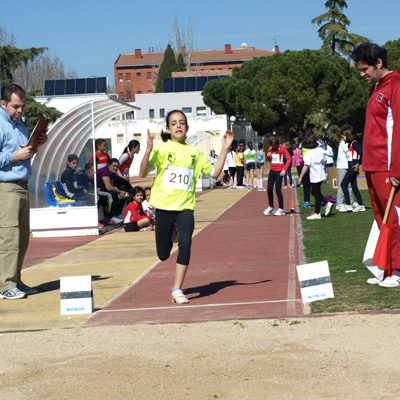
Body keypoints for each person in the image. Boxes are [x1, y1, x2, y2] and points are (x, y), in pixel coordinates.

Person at [139, 109, 234, 304]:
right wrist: (148, 150)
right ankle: (172, 235)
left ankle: (177, 289)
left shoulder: (194, 153)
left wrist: (224, 148)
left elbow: (215, 173)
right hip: (164, 207)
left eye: (182, 122)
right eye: (174, 123)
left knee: (186, 243)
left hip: (185, 207)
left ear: (187, 128)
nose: (178, 126)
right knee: (163, 255)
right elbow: (141, 174)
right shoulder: (162, 149)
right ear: (168, 128)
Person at [350, 43, 400, 287]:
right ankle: (386, 269)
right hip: (371, 166)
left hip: (387, 168)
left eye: (364, 69)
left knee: (394, 218)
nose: (362, 74)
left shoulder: (395, 86)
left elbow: (398, 131)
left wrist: (396, 169)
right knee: (381, 219)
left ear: (379, 63)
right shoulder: (376, 89)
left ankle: (398, 271)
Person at [0, 84, 47, 299]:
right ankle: (5, 285)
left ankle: (16, 280)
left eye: (23, 106)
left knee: (21, 238)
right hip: (6, 187)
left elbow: (24, 154)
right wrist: (15, 157)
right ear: (3, 104)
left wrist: (35, 145)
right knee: (9, 237)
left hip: (22, 185)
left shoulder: (20, 125)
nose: (20, 111)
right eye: (15, 106)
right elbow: (12, 156)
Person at [298, 134, 333, 220]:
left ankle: (326, 204)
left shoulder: (309, 153)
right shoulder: (320, 150)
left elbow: (306, 166)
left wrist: (300, 177)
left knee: (315, 193)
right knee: (316, 192)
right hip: (321, 174)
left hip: (314, 175)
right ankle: (317, 212)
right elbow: (325, 159)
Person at [339, 125, 365, 213]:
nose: (342, 139)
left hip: (353, 166)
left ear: (347, 135)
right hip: (351, 165)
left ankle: (348, 205)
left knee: (343, 184)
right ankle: (361, 205)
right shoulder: (349, 144)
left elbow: (362, 153)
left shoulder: (354, 143)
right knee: (354, 186)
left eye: (343, 137)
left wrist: (358, 163)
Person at [263, 136, 291, 216]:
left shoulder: (282, 148)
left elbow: (289, 159)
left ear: (278, 143)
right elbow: (269, 160)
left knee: (278, 189)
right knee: (269, 188)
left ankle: (281, 208)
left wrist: (284, 170)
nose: (273, 147)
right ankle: (271, 206)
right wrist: (268, 156)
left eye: (275, 145)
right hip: (272, 170)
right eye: (272, 145)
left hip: (279, 170)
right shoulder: (270, 148)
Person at [97, 158, 127, 224]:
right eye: (113, 166)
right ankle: (110, 217)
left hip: (103, 189)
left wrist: (120, 193)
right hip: (97, 189)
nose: (115, 168)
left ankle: (116, 214)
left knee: (116, 194)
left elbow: (112, 186)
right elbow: (108, 187)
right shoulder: (105, 171)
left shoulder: (112, 173)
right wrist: (119, 192)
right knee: (111, 195)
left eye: (117, 166)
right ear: (109, 165)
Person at [336, 132, 354, 210]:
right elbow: (348, 152)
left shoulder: (346, 143)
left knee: (348, 185)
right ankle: (339, 203)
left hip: (347, 165)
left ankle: (350, 201)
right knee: (342, 184)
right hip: (342, 166)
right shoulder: (342, 143)